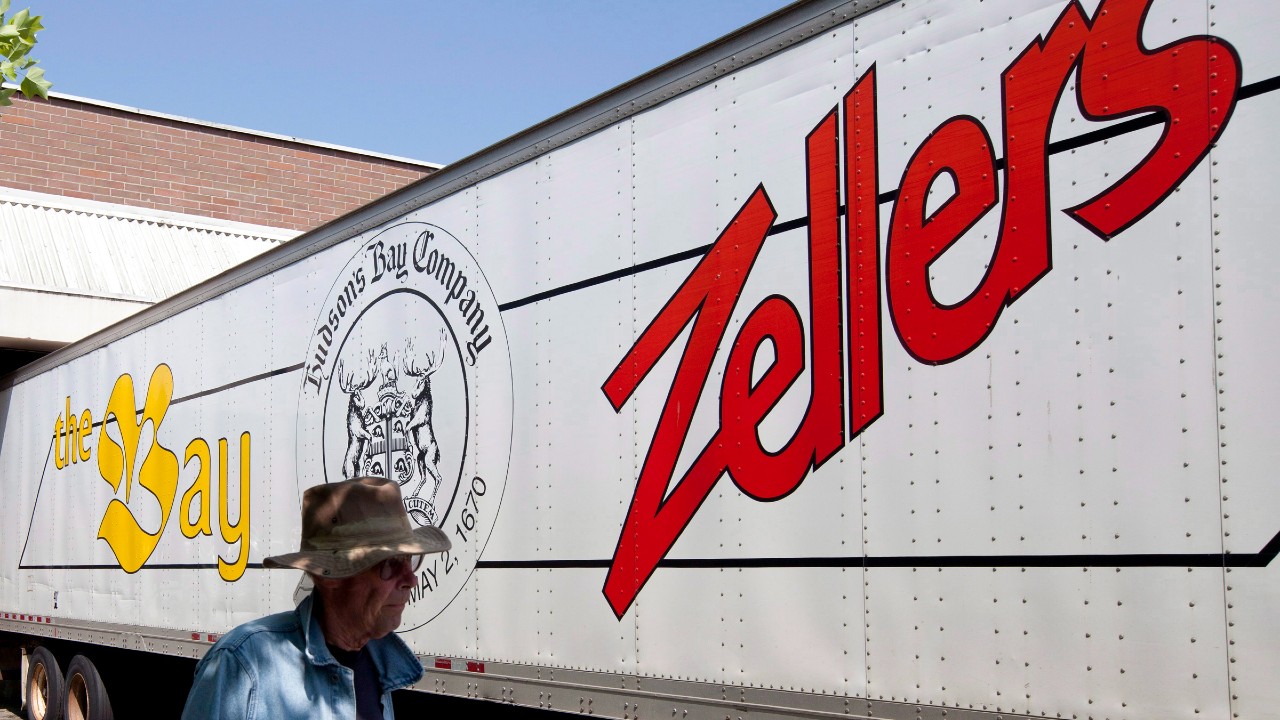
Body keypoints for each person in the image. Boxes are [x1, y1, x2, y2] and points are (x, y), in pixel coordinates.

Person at [180, 476, 450, 720]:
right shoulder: (242, 665)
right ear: (329, 576)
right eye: (389, 563)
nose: (411, 579)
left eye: (410, 560)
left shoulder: (380, 666)